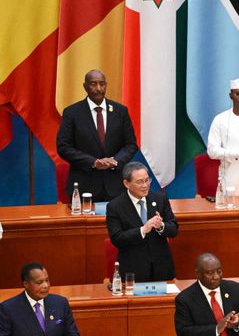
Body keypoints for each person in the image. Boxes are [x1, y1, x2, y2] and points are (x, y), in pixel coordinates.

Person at [56, 69, 139, 203]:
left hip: (116, 187)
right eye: (93, 84)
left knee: (118, 224)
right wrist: (94, 162)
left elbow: (131, 144)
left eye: (102, 84)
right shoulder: (72, 113)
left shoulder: (120, 111)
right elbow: (63, 147)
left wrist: (115, 161)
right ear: (85, 86)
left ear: (106, 85)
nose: (98, 89)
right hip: (84, 186)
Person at [105, 161, 178, 282]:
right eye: (139, 182)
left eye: (147, 180)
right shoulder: (115, 206)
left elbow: (174, 229)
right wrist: (143, 230)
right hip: (133, 271)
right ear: (126, 183)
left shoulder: (159, 199)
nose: (145, 185)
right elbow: (117, 238)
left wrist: (161, 226)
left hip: (162, 268)